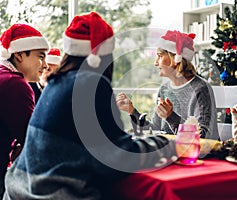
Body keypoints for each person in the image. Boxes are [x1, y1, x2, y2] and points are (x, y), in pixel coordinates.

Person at [3, 12, 176, 199]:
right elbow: (118, 158)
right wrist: (169, 144)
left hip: (17, 190)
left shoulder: (56, 82)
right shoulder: (89, 83)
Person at [116, 30, 219, 140]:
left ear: (175, 58)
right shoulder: (164, 89)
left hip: (198, 155)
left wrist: (170, 116)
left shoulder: (201, 89)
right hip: (171, 152)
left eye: (160, 56)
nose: (156, 63)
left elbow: (202, 137)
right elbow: (154, 129)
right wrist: (132, 111)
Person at [0, 23, 49, 197]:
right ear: (19, 55)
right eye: (40, 57)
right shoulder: (15, 84)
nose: (45, 65)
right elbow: (34, 142)